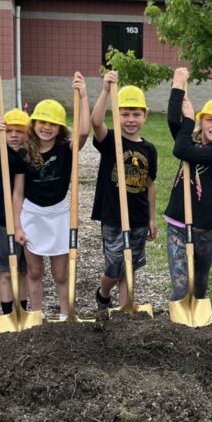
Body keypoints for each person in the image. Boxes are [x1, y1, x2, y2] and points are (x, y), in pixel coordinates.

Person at [11, 73, 90, 319]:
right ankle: (36, 314)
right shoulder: (24, 152)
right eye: (42, 122)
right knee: (34, 271)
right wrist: (17, 226)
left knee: (61, 273)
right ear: (33, 124)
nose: (46, 127)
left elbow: (84, 131)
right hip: (32, 214)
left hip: (59, 214)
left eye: (52, 124)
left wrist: (83, 95)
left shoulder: (66, 149)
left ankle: (66, 315)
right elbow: (18, 192)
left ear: (60, 128)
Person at [90, 71, 158, 310]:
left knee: (131, 267)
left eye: (136, 114)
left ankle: (125, 310)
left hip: (138, 216)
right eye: (125, 114)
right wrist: (105, 91)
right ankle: (103, 292)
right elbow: (96, 122)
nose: (131, 119)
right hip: (113, 216)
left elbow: (150, 184)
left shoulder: (149, 149)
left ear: (145, 115)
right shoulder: (111, 141)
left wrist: (151, 218)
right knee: (114, 267)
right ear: (117, 115)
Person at [164, 67, 212, 301]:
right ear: (202, 122)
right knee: (182, 287)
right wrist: (178, 85)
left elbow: (181, 150)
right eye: (209, 119)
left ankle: (197, 320)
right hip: (178, 226)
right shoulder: (189, 142)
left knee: (200, 284)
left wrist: (189, 120)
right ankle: (177, 320)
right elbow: (173, 120)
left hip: (206, 231)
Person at [0, 106, 30, 317]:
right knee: (6, 270)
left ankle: (22, 310)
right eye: (9, 131)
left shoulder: (29, 155)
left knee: (24, 270)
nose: (14, 135)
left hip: (29, 220)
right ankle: (7, 314)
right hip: (5, 220)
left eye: (19, 131)